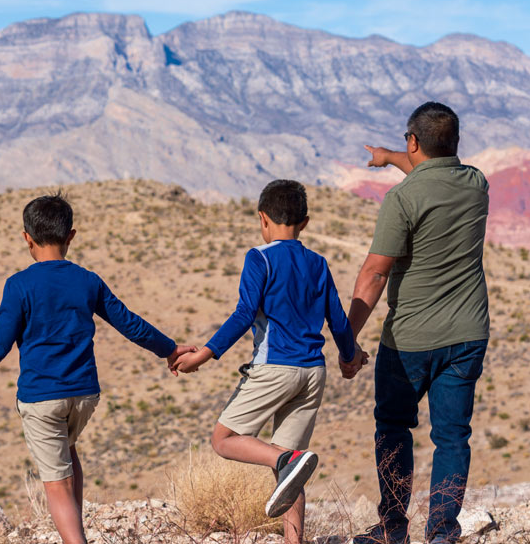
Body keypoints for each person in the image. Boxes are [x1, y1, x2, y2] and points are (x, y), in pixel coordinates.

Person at [0, 193, 196, 544]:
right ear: (71, 236)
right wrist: (170, 349)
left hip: (42, 399)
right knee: (67, 452)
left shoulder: (19, 285)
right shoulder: (87, 281)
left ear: (27, 237)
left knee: (55, 482)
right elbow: (129, 323)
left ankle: (75, 540)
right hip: (84, 395)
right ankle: (77, 532)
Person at [171, 179, 365, 544]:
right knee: (292, 469)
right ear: (304, 222)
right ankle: (294, 533)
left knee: (224, 439)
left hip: (275, 367)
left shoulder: (258, 258)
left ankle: (283, 461)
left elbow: (244, 314)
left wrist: (205, 355)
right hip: (313, 373)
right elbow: (337, 320)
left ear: (263, 219)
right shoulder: (318, 263)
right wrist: (350, 355)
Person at [346, 102, 490, 544]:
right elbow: (431, 175)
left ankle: (393, 529)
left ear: (414, 141)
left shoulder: (402, 199)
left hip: (409, 339)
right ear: (456, 143)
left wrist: (347, 337)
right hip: (468, 334)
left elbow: (373, 274)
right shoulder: (476, 183)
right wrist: (392, 157)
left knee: (393, 428)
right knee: (452, 438)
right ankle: (442, 533)